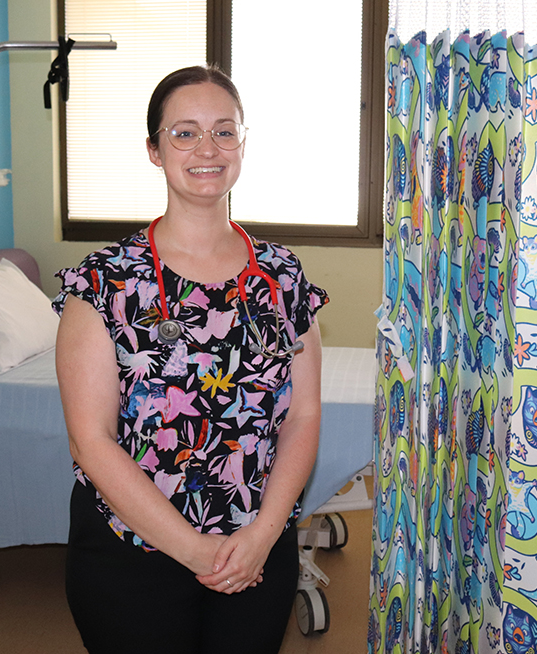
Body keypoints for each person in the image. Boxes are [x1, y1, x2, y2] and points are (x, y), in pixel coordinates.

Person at [52, 65, 328, 654]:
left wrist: (261, 537)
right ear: (154, 150)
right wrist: (199, 551)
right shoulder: (104, 282)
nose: (208, 148)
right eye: (184, 133)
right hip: (130, 556)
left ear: (243, 145)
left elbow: (302, 414)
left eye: (224, 132)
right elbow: (90, 440)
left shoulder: (281, 276)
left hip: (256, 546)